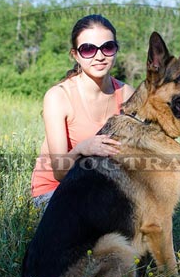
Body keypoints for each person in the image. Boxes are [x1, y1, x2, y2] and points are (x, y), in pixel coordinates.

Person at [31, 14, 136, 209]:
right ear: (75, 54)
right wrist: (82, 149)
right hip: (56, 191)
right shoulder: (58, 96)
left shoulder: (127, 93)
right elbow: (59, 171)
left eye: (107, 47)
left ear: (116, 50)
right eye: (88, 49)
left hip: (102, 187)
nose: (99, 56)